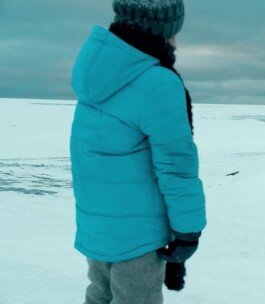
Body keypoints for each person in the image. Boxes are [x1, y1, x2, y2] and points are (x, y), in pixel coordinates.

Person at [70, 0, 205, 303]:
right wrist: (188, 230)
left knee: (99, 294)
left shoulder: (95, 76)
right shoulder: (158, 83)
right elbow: (176, 166)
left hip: (97, 225)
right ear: (161, 29)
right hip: (139, 236)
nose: (175, 41)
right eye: (173, 32)